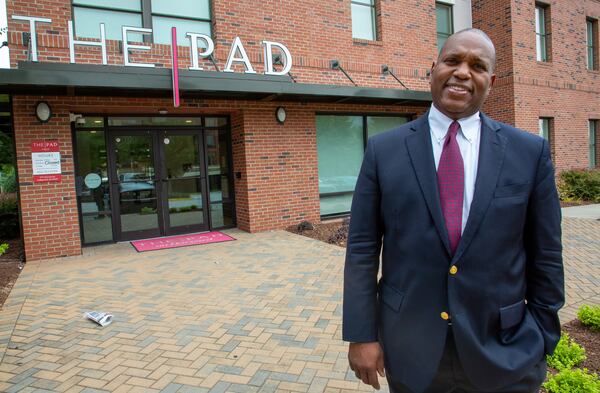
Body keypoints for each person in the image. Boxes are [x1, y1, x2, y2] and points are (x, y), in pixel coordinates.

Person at [343, 28, 564, 393]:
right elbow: (363, 251)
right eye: (452, 60)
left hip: (505, 352)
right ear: (433, 69)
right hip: (410, 350)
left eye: (477, 66)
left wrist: (541, 335)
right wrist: (361, 335)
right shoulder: (384, 151)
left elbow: (547, 255)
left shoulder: (529, 153)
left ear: (490, 81)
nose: (463, 72)